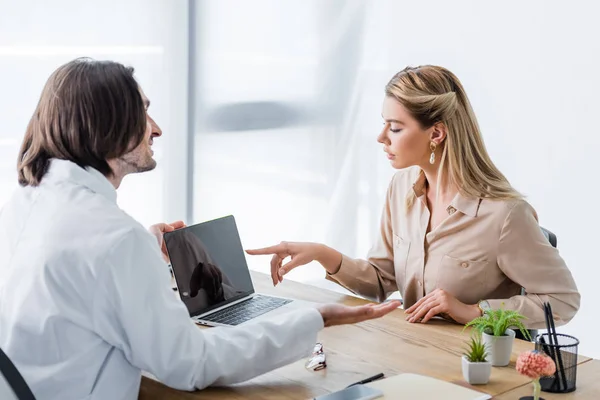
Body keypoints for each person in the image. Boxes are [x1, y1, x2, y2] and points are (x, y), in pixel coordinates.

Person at [0, 58, 400, 400]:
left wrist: (141, 249)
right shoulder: (115, 240)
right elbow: (190, 363)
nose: (155, 129)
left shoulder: (28, 202)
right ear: (108, 125)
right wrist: (314, 318)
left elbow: (80, 275)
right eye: (142, 112)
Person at [247, 65, 580, 329]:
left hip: (475, 370)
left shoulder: (504, 215)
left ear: (436, 133)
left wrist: (473, 311)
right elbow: (382, 280)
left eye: (394, 127)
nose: (381, 138)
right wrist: (322, 254)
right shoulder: (401, 187)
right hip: (411, 352)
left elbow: (563, 300)